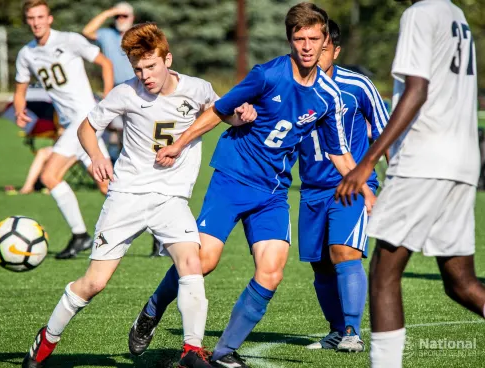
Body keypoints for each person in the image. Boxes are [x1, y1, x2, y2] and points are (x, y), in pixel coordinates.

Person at [128, 3, 373, 367]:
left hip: (273, 192)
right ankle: (152, 308)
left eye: (314, 39)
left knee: (272, 271)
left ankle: (225, 352)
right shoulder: (267, 75)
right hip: (232, 178)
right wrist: (179, 144)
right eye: (299, 38)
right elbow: (218, 109)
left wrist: (364, 187)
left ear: (325, 42)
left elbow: (339, 152)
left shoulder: (328, 96)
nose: (307, 46)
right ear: (290, 40)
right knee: (203, 261)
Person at [21, 22, 256, 368]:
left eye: (151, 66)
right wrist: (98, 155)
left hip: (171, 200)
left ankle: (191, 352)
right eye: (138, 69)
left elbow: (225, 115)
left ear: (167, 59)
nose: (145, 75)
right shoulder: (125, 93)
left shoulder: (198, 88)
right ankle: (47, 340)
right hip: (126, 196)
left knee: (192, 264)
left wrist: (243, 114)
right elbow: (87, 127)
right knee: (94, 283)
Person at [336, 0, 485, 367]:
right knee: (461, 284)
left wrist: (368, 160)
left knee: (385, 271)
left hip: (424, 158)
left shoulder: (419, 13)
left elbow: (417, 90)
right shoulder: (456, 15)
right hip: (462, 161)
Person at [298, 20, 388, 353]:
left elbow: (384, 131)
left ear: (335, 50)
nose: (312, 53)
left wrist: (383, 175)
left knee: (343, 253)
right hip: (311, 188)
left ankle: (352, 330)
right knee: (319, 263)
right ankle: (336, 331)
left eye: (321, 48)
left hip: (351, 184)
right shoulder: (295, 86)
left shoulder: (358, 85)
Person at [14, 0, 114, 259]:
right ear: (28, 21)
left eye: (40, 17)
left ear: (50, 19)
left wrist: (110, 96)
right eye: (31, 18)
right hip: (71, 126)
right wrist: (19, 108)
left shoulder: (70, 40)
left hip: (86, 121)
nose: (36, 22)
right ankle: (158, 234)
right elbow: (20, 87)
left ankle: (80, 234)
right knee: (106, 185)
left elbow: (105, 63)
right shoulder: (27, 53)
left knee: (49, 176)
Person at [82, 1, 135, 86]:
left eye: (125, 16)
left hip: (139, 84)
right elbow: (86, 31)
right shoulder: (106, 34)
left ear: (132, 17)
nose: (121, 19)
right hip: (115, 87)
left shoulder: (140, 34)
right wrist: (107, 13)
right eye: (117, 16)